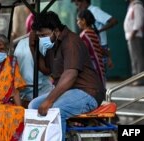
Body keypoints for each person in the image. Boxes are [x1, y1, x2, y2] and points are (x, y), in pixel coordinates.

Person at [27, 11, 105, 141]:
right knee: (33, 106)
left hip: (88, 92)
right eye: (39, 36)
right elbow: (45, 70)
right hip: (69, 91)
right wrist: (33, 46)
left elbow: (70, 74)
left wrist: (49, 101)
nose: (42, 38)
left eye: (44, 35)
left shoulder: (71, 41)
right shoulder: (53, 44)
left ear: (56, 31)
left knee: (55, 111)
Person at [71, 0, 118, 71]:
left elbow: (113, 21)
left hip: (99, 46)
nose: (78, 7)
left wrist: (98, 31)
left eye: (78, 4)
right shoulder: (86, 31)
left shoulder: (94, 10)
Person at [14, 31, 54, 104]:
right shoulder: (44, 43)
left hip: (22, 91)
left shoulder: (21, 42)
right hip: (40, 91)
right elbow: (47, 70)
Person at [77, 9, 105, 86]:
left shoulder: (84, 35)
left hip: (92, 68)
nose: (77, 23)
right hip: (100, 67)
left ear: (83, 21)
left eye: (78, 20)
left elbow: (83, 52)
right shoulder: (94, 33)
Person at [124, 0, 144, 86]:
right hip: (131, 36)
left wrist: (133, 34)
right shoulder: (131, 5)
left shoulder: (137, 6)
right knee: (134, 59)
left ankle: (140, 80)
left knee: (138, 58)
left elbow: (138, 21)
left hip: (135, 36)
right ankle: (135, 78)